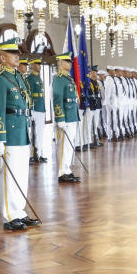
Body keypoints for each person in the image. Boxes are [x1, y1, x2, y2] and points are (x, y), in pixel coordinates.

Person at [0, 42, 40, 231]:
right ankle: (9, 215)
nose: (17, 56)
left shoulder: (18, 77)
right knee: (9, 177)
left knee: (21, 175)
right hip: (9, 133)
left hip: (21, 131)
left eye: (17, 53)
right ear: (2, 58)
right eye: (12, 54)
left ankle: (19, 211)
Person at [52, 52, 81, 182]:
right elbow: (57, 99)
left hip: (72, 116)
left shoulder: (68, 78)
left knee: (69, 145)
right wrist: (60, 118)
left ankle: (67, 169)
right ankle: (62, 172)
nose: (70, 63)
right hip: (65, 117)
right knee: (64, 145)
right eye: (67, 61)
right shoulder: (59, 79)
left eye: (70, 61)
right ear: (60, 63)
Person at [27, 57, 48, 163]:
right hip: (34, 107)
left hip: (40, 106)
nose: (39, 66)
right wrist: (30, 108)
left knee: (40, 132)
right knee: (32, 132)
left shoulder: (39, 78)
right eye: (37, 64)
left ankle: (39, 153)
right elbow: (29, 95)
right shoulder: (30, 78)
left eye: (40, 64)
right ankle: (32, 154)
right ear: (32, 65)